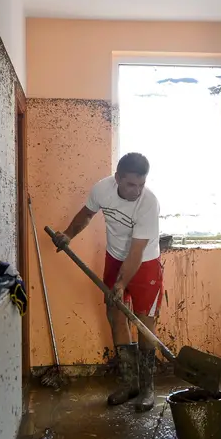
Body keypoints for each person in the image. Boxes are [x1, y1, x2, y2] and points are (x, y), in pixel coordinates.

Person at [51, 152, 162, 412]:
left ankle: (147, 389)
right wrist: (68, 234)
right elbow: (86, 214)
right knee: (115, 314)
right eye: (131, 184)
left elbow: (136, 252)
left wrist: (121, 284)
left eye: (141, 184)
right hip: (114, 258)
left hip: (145, 263)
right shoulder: (103, 189)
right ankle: (129, 382)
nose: (136, 190)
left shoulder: (149, 203)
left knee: (145, 321)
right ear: (117, 178)